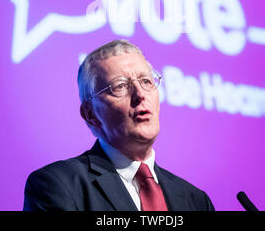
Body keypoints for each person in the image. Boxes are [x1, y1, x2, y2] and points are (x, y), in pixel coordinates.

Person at [23, 39, 214, 211]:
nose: (140, 94)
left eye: (146, 81)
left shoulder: (196, 201)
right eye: (120, 86)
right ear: (90, 114)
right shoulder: (58, 185)